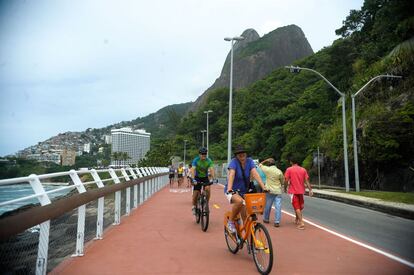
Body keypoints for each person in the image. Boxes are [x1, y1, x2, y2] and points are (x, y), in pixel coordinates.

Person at [224, 145, 267, 233]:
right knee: (239, 202)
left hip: (245, 192)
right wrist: (229, 189)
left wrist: (264, 187)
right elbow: (231, 174)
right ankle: (231, 222)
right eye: (239, 155)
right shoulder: (234, 162)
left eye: (243, 155)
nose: (242, 157)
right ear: (236, 156)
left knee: (246, 216)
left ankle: (249, 241)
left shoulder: (250, 161)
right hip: (233, 190)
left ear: (246, 154)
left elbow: (255, 174)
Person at [284, 155, 313, 230]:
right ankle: (297, 219)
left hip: (293, 191)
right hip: (301, 191)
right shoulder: (303, 170)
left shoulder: (289, 169)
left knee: (297, 207)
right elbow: (306, 181)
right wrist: (310, 190)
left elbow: (286, 180)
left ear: (291, 162)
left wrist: (285, 188)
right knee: (300, 206)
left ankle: (301, 223)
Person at [259, 158, 284, 227]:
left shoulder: (267, 169)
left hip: (269, 190)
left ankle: (266, 219)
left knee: (268, 205)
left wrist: (265, 160)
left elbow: (260, 164)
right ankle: (277, 221)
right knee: (278, 206)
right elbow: (282, 181)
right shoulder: (279, 171)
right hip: (278, 191)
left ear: (268, 164)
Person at [190, 148, 215, 215]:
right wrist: (193, 179)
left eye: (205, 154)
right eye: (202, 154)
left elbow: (211, 169)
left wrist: (213, 178)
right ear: (199, 154)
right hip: (197, 178)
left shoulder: (209, 160)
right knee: (195, 193)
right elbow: (193, 169)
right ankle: (194, 206)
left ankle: (206, 204)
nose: (204, 155)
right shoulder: (196, 160)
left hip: (205, 177)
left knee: (208, 189)